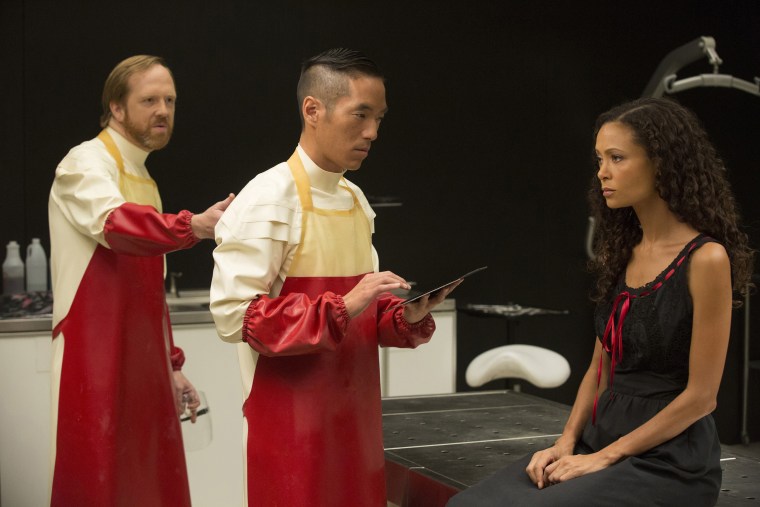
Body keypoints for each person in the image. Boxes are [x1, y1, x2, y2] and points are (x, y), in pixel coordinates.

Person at [447, 97, 754, 507]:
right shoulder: (624, 251)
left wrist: (606, 458)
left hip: (668, 461)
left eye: (617, 158)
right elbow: (599, 368)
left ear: (661, 163)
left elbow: (702, 397)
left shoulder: (706, 258)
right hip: (599, 438)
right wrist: (566, 442)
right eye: (599, 159)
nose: (602, 173)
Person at [210, 47, 458, 506]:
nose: (372, 132)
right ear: (313, 111)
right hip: (289, 428)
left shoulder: (354, 201)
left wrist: (400, 316)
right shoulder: (267, 199)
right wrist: (342, 306)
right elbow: (234, 317)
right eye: (360, 115)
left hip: (356, 421)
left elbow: (357, 319)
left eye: (379, 117)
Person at [47, 54, 234, 506]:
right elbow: (115, 225)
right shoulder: (83, 164)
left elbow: (151, 294)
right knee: (97, 480)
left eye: (169, 100)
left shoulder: (144, 179)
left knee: (151, 483)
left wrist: (171, 365)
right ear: (116, 107)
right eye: (149, 99)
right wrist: (192, 226)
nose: (163, 111)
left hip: (144, 362)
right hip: (92, 356)